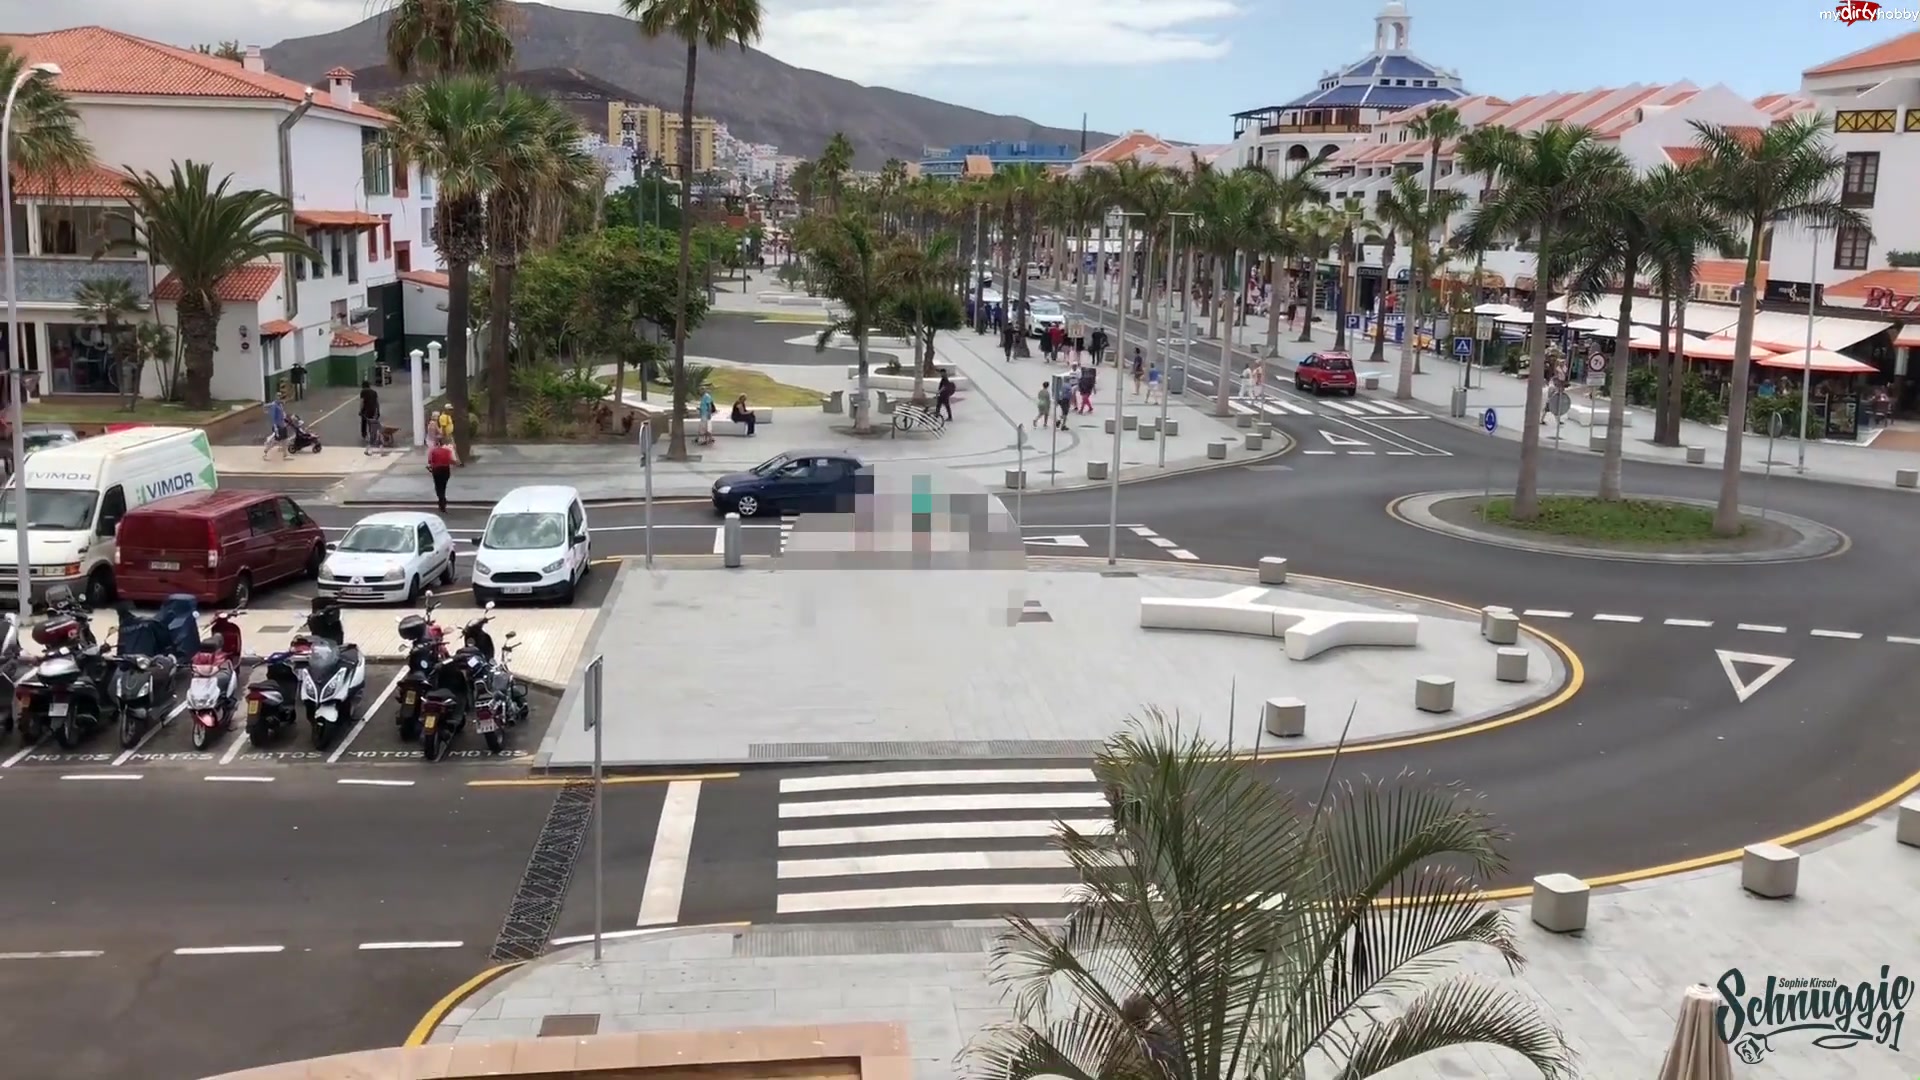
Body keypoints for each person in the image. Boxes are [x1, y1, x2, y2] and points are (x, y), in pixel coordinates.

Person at [426, 438, 455, 513]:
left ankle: (441, 499)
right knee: (443, 485)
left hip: (437, 469)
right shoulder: (448, 451)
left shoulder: (433, 451)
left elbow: (430, 461)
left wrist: (430, 467)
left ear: (437, 444)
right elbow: (451, 460)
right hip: (446, 469)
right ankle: (442, 499)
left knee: (438, 486)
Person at [264, 388, 289, 458]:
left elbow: (282, 413)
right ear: (275, 397)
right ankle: (266, 450)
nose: (279, 398)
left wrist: (285, 417)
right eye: (278, 396)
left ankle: (285, 454)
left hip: (283, 425)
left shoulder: (280, 405)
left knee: (285, 439)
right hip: (278, 425)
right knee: (276, 440)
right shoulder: (274, 406)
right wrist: (275, 427)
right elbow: (273, 417)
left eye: (280, 396)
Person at [359, 379, 380, 454]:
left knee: (364, 423)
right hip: (373, 410)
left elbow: (362, 402)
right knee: (372, 423)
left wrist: (360, 410)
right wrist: (378, 411)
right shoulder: (374, 392)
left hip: (366, 410)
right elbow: (377, 403)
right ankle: (373, 436)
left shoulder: (363, 391)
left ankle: (365, 436)